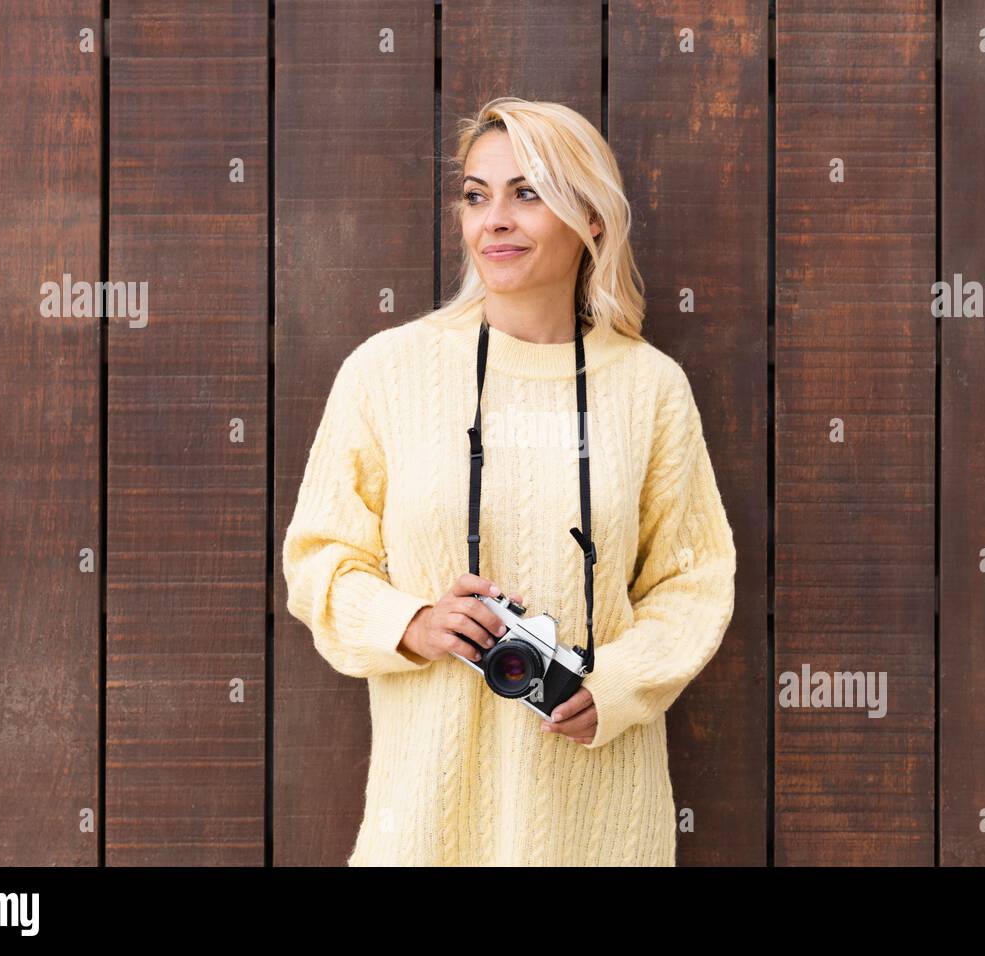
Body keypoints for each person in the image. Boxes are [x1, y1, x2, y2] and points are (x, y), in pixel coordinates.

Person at [281, 97, 737, 866]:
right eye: (475, 194)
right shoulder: (387, 372)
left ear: (591, 218)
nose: (493, 219)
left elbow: (695, 580)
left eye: (527, 192)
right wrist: (413, 622)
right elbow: (319, 558)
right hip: (425, 820)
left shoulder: (650, 387)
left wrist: (617, 685)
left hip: (598, 819)